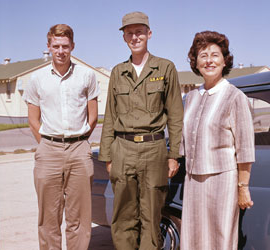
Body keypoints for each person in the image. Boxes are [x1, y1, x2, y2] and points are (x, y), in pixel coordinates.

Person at [98, 11, 183, 250]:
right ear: (124, 37)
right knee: (123, 217)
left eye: (139, 32)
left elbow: (176, 115)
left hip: (154, 149)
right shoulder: (117, 72)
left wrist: (173, 154)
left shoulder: (165, 68)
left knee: (151, 215)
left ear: (149, 33)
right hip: (122, 150)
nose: (135, 37)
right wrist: (107, 157)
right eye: (129, 33)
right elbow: (110, 117)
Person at [23, 24, 100, 250]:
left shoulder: (87, 75)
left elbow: (93, 117)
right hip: (48, 150)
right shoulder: (37, 79)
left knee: (80, 218)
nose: (60, 51)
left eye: (65, 46)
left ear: (72, 46)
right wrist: (48, 145)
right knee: (49, 218)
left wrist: (78, 144)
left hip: (79, 150)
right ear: (48, 47)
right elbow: (33, 120)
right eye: (55, 46)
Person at [180, 31, 255, 250]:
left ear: (224, 61)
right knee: (193, 238)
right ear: (196, 62)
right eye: (203, 56)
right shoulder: (191, 97)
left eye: (215, 55)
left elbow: (245, 148)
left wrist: (243, 187)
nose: (209, 60)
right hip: (193, 180)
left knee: (220, 238)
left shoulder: (235, 97)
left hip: (222, 180)